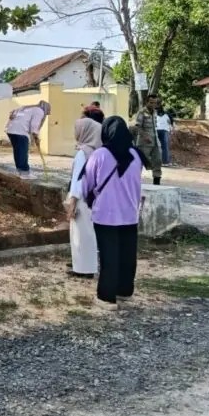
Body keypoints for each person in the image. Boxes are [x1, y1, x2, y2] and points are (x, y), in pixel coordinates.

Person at [82, 116, 148, 310]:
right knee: (128, 254)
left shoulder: (100, 154)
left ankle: (106, 297)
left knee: (109, 256)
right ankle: (125, 290)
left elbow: (88, 183)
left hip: (106, 214)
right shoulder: (136, 155)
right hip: (129, 213)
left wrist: (88, 199)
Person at [65, 117, 103, 279]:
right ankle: (91, 265)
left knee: (80, 234)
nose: (76, 132)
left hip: (82, 199)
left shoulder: (83, 153)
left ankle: (83, 269)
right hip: (96, 198)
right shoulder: (101, 151)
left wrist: (72, 201)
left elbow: (78, 180)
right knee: (92, 234)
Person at [5, 100, 52, 179]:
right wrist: (36, 137)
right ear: (46, 109)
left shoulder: (27, 108)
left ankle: (20, 171)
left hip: (11, 130)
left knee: (18, 152)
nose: (47, 114)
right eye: (48, 111)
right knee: (22, 152)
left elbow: (12, 115)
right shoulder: (39, 111)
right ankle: (24, 173)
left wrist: (34, 136)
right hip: (20, 131)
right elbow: (34, 125)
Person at [134, 94, 163, 185]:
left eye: (155, 103)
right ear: (147, 102)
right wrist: (145, 136)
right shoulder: (141, 112)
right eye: (151, 102)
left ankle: (156, 183)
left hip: (155, 142)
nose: (153, 104)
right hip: (144, 142)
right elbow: (137, 127)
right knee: (140, 162)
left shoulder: (155, 112)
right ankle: (135, 181)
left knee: (158, 161)